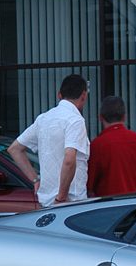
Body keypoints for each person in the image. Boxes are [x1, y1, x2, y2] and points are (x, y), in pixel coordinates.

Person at [7, 74, 90, 206]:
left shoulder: (43, 119)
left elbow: (14, 149)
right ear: (84, 95)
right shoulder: (75, 121)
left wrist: (35, 180)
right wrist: (61, 197)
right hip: (71, 203)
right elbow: (69, 160)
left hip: (45, 201)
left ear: (59, 95)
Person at [87, 95, 136, 196]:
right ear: (124, 116)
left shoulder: (97, 146)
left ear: (100, 118)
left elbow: (89, 186)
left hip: (108, 207)